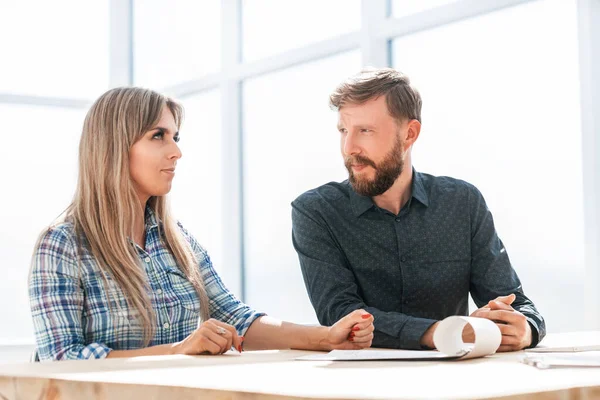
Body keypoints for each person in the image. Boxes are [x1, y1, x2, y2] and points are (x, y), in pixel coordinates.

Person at [29, 87, 374, 361]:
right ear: (115, 146)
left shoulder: (177, 241)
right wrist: (178, 350)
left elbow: (239, 319)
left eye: (175, 138)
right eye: (158, 136)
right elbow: (62, 359)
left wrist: (324, 337)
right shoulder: (61, 245)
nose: (175, 152)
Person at [291, 68, 545, 352]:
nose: (349, 147)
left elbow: (514, 302)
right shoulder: (316, 211)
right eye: (343, 131)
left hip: (455, 383)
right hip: (360, 384)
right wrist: (443, 333)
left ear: (409, 134)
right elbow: (342, 315)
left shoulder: (463, 202)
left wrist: (526, 330)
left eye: (365, 131)